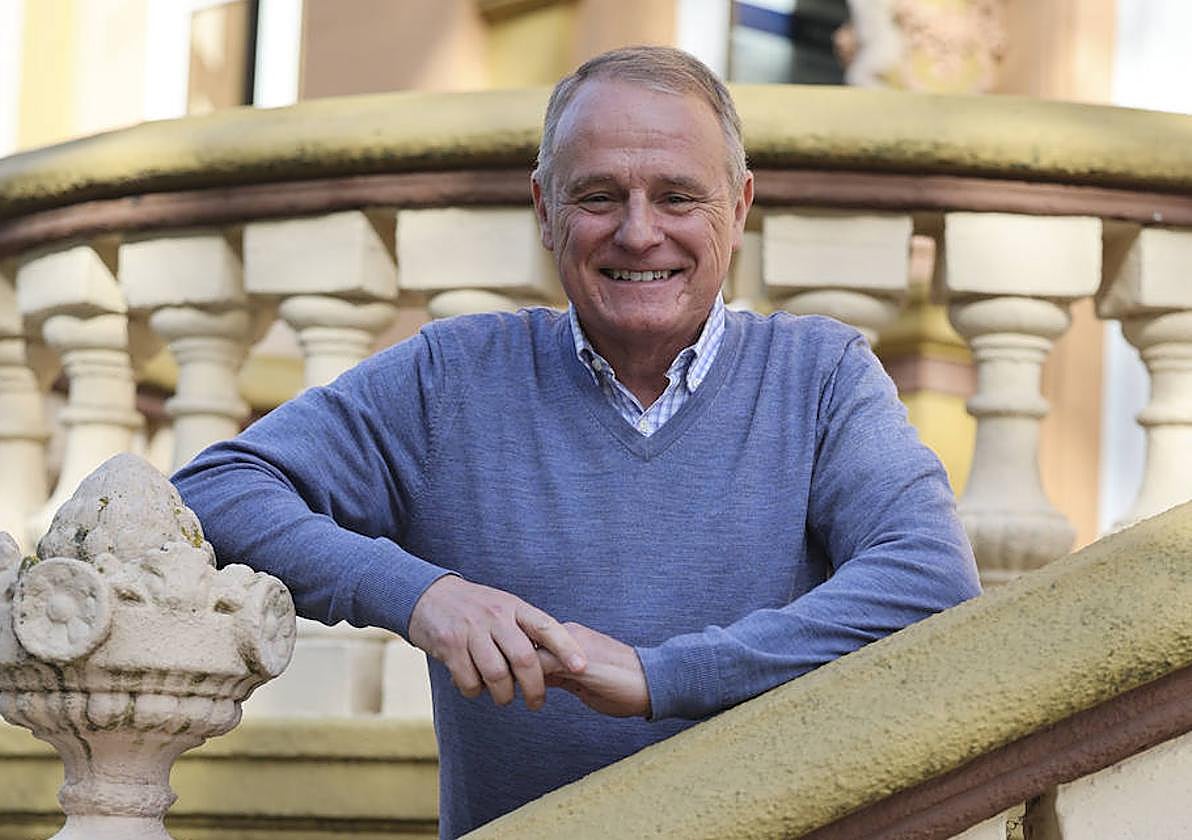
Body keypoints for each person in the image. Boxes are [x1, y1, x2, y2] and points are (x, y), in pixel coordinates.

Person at [173, 46, 980, 838]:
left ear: (738, 208)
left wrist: (660, 675)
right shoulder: (454, 377)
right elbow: (214, 492)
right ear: (544, 210)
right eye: (598, 196)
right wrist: (424, 596)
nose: (638, 233)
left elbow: (929, 574)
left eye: (676, 197)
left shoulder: (820, 375)